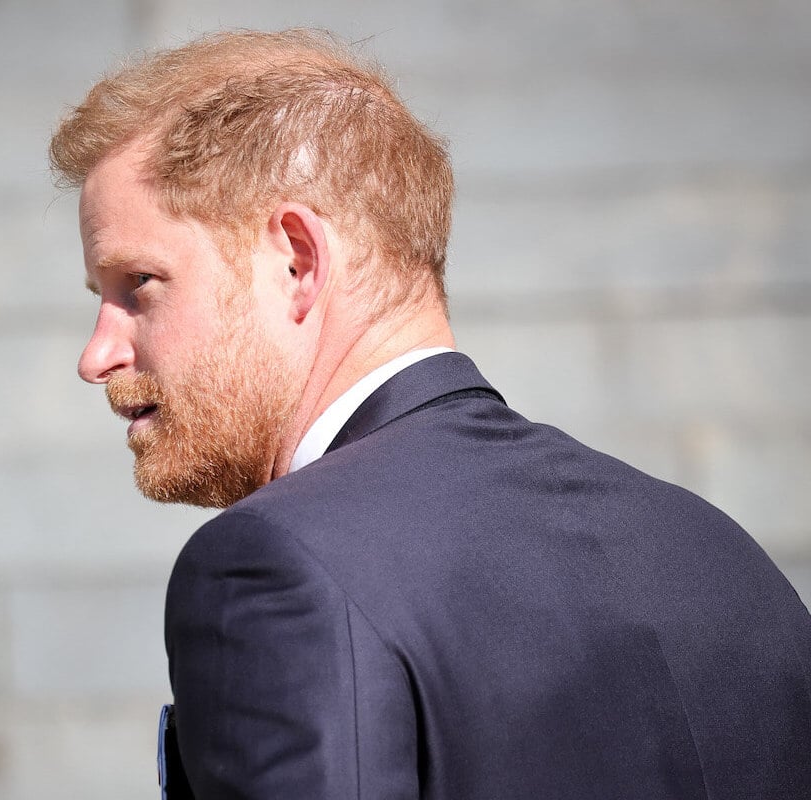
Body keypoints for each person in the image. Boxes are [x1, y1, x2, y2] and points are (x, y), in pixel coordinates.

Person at [49, 28, 811, 799]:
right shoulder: (719, 555)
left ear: (297, 262)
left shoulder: (274, 568)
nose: (97, 355)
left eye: (138, 284)